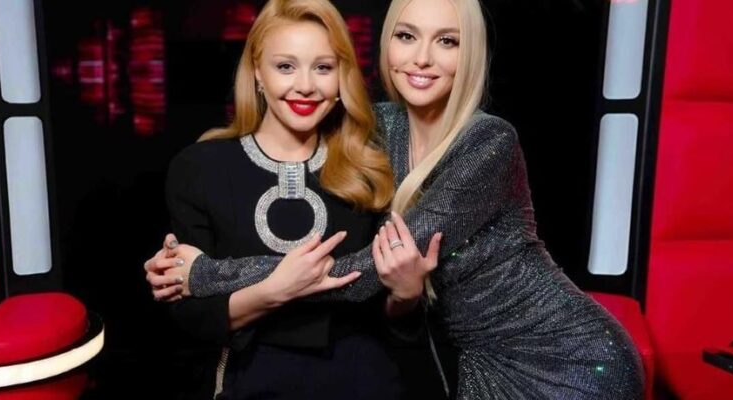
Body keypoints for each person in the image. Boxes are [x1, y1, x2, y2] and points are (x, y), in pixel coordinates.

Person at [150, 0, 645, 398]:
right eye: (407, 36)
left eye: (447, 41)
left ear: (469, 54)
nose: (421, 58)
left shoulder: (488, 142)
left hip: (567, 357)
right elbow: (294, 121)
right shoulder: (376, 132)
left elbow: (367, 274)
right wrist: (175, 266)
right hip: (469, 357)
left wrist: (208, 273)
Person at [145, 0, 442, 399]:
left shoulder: (370, 164)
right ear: (257, 72)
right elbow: (188, 314)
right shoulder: (200, 168)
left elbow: (391, 320)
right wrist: (273, 291)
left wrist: (406, 295)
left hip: (366, 383)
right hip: (253, 385)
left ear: (342, 76)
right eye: (285, 66)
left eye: (323, 67)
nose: (305, 85)